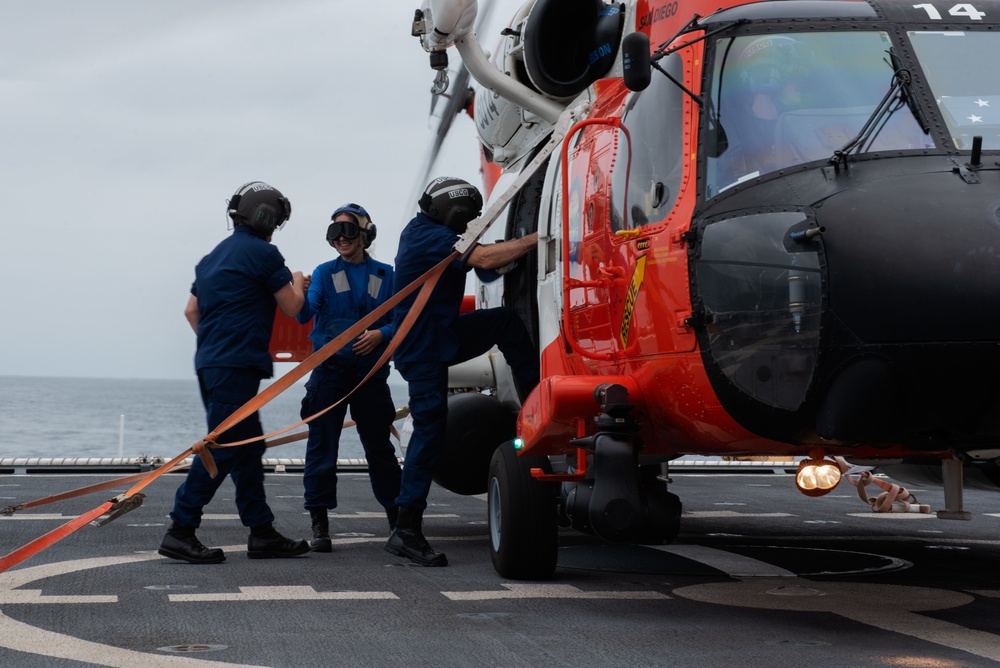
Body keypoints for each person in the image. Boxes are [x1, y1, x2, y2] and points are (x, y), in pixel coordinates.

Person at [384, 176, 540, 567]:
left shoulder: (432, 232)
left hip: (443, 336)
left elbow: (486, 259)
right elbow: (485, 259)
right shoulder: (429, 236)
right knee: (430, 430)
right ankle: (405, 528)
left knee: (504, 322)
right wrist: (542, 238)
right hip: (423, 351)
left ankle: (536, 400)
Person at [158, 181, 310, 564]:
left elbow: (191, 311)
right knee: (223, 448)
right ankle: (180, 528)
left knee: (248, 448)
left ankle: (261, 532)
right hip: (236, 366)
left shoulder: (210, 259)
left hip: (211, 362)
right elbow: (292, 307)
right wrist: (297, 279)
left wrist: (216, 346)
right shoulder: (264, 254)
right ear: (268, 218)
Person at [297, 203, 402, 552]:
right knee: (321, 447)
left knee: (380, 450)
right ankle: (319, 525)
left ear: (365, 235)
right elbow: (304, 313)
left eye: (349, 231)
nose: (341, 238)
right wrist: (294, 285)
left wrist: (381, 334)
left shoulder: (387, 275)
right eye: (335, 232)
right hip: (329, 374)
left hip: (370, 375)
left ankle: (398, 520)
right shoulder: (324, 274)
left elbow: (402, 317)